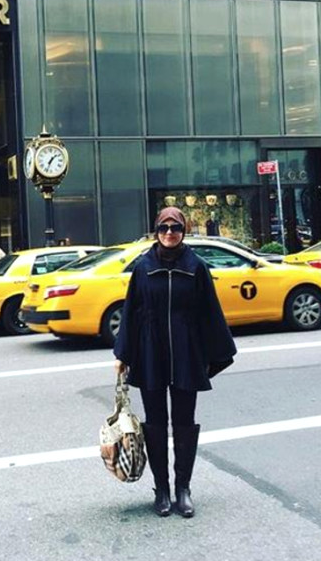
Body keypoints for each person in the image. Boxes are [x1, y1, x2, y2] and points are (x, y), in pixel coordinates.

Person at [113, 206, 236, 519]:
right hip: (150, 352)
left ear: (183, 231)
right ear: (156, 231)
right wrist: (123, 354)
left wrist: (215, 354)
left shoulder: (196, 267)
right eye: (164, 228)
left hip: (186, 352)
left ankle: (183, 489)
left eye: (176, 228)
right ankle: (162, 490)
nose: (170, 233)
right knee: (155, 424)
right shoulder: (143, 267)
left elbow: (210, 311)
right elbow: (131, 311)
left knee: (184, 422)